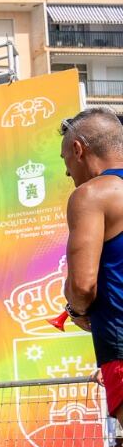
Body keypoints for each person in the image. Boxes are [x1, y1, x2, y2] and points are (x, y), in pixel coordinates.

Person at [59, 107, 123, 424]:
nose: (68, 173)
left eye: (65, 162)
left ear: (78, 149)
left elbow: (83, 286)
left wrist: (77, 308)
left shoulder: (93, 194)